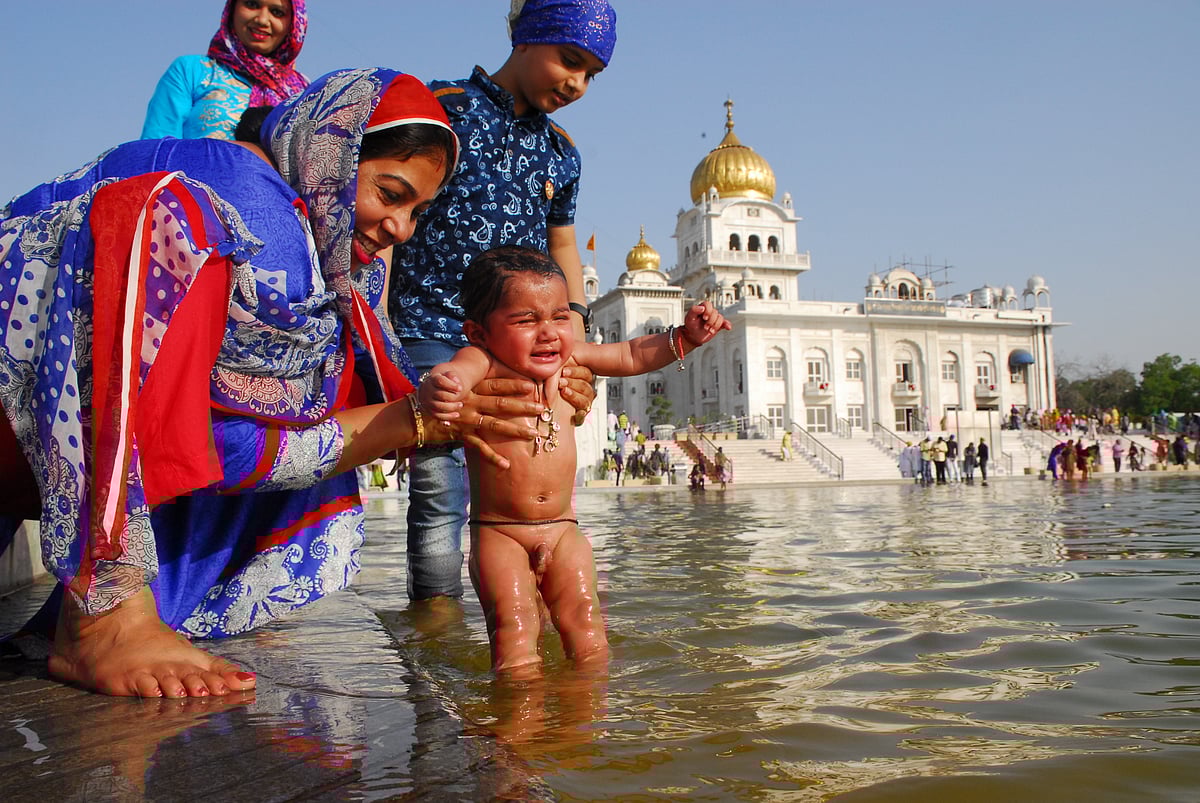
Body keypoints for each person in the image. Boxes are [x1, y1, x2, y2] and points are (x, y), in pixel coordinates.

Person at [0, 68, 551, 698]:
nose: (402, 227)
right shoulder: (257, 214)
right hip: (22, 415)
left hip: (21, 436)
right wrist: (408, 423)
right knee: (166, 221)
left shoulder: (297, 230)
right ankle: (105, 614)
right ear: (329, 157)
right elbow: (217, 447)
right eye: (390, 194)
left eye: (416, 211)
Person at [388, 0, 616, 602]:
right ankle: (435, 622)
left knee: (525, 469)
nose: (577, 84)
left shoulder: (562, 152)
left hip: (517, 335)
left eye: (592, 74)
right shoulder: (442, 110)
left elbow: (562, 242)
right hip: (431, 324)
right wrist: (380, 331)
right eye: (569, 60)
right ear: (526, 37)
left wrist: (574, 332)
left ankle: (526, 614)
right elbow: (394, 210)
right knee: (439, 486)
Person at [416, 246, 729, 671]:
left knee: (587, 627)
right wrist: (441, 386)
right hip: (500, 534)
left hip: (565, 531)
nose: (548, 332)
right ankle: (517, 730)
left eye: (560, 316)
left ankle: (584, 726)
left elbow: (633, 354)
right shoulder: (483, 362)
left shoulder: (572, 359)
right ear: (479, 333)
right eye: (526, 320)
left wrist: (685, 338)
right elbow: (452, 374)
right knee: (515, 631)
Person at [142, 0, 308, 141]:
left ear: (294, 23)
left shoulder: (304, 93)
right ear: (232, 9)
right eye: (251, 4)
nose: (262, 20)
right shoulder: (192, 71)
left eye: (277, 12)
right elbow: (154, 151)